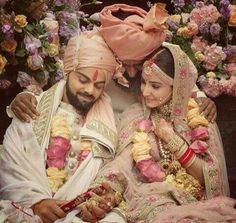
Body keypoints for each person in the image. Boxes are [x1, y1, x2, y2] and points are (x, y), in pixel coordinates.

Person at [76, 42, 236, 222]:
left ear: (177, 87)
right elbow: (122, 162)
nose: (145, 91)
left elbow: (209, 177)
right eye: (143, 83)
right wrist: (104, 188)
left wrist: (171, 139)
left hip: (196, 200)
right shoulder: (137, 115)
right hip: (153, 199)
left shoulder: (198, 115)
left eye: (155, 86)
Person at [10, 3, 217, 123]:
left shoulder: (154, 49)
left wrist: (200, 97)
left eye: (140, 65)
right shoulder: (95, 50)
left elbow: (180, 80)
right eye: (124, 64)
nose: (134, 74)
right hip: (98, 141)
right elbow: (67, 85)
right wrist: (27, 96)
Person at [0, 30, 126, 223]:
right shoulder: (32, 108)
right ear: (68, 72)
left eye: (99, 85)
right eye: (82, 80)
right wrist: (37, 203)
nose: (89, 91)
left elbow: (112, 174)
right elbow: (10, 167)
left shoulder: (109, 127)